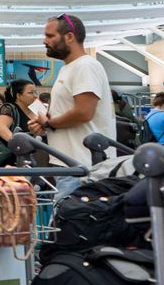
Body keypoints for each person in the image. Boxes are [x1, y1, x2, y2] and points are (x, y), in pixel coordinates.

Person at [27, 14, 115, 199]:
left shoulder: (85, 66)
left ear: (69, 37)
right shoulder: (68, 68)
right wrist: (45, 124)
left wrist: (50, 124)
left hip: (82, 167)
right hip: (70, 164)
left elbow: (84, 112)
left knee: (68, 224)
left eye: (50, 36)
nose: (45, 41)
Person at [0, 79, 40, 164]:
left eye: (36, 92)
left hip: (31, 158)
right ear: (19, 95)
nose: (35, 96)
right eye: (31, 93)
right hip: (12, 161)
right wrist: (19, 144)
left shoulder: (34, 110)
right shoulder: (9, 108)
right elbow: (2, 128)